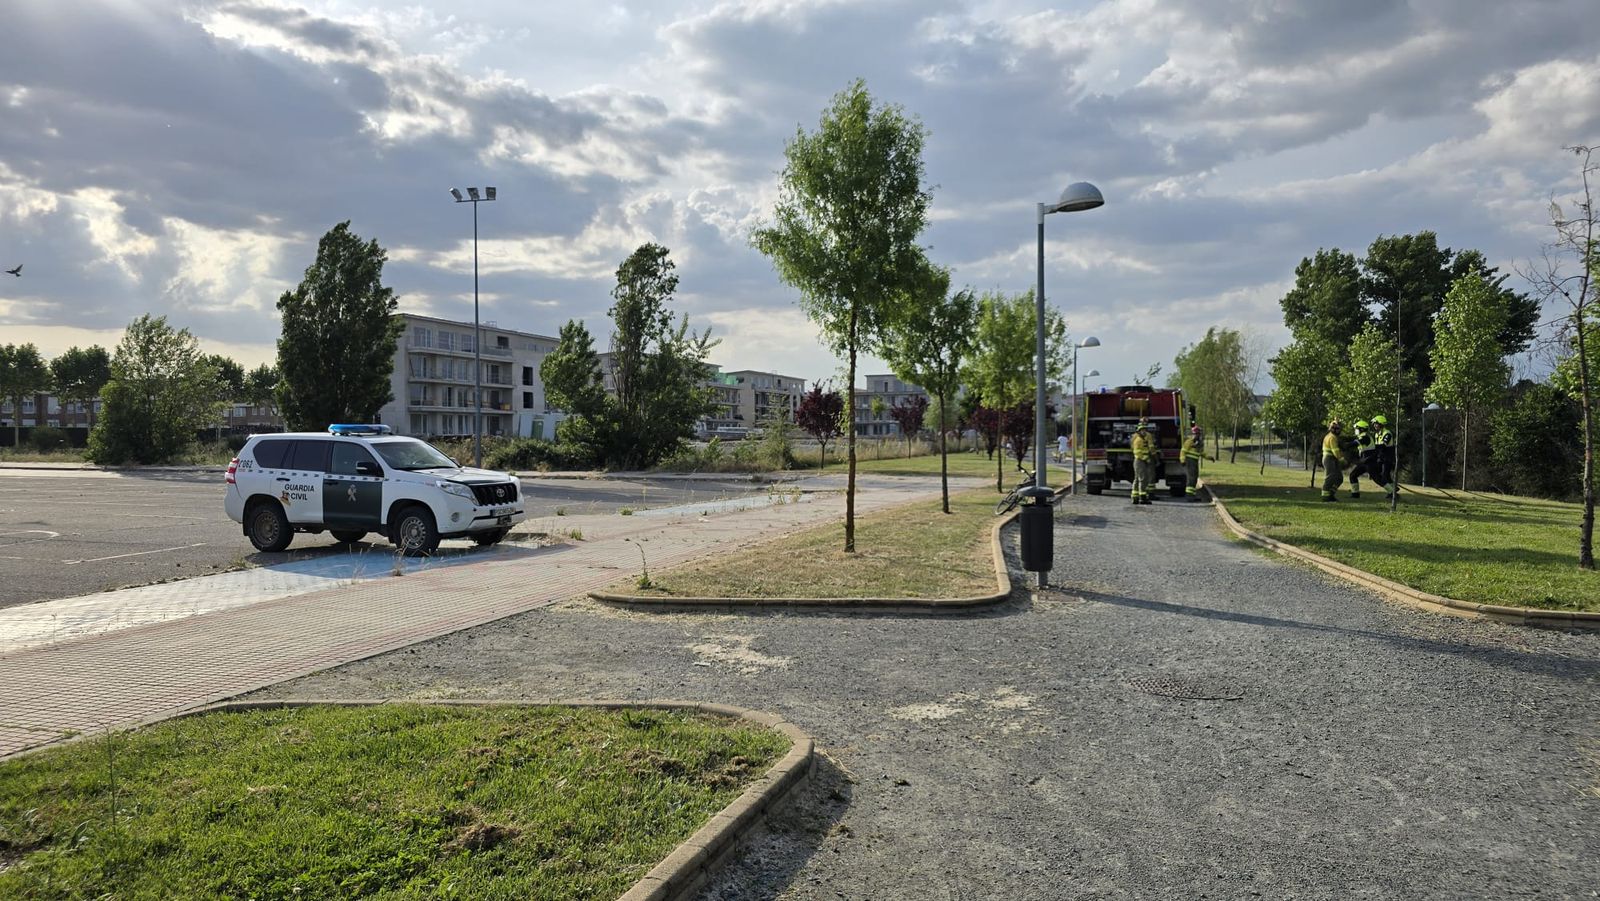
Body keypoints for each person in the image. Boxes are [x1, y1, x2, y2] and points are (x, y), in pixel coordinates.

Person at [1346, 419, 1377, 498]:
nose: (1355, 430)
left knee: (1377, 479)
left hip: (1369, 461)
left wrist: (1343, 445)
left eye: (1357, 429)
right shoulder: (1362, 436)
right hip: (1365, 461)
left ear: (1361, 429)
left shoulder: (1365, 437)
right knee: (1353, 475)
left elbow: (1354, 443)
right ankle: (1355, 494)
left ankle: (1392, 492)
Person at [1130, 418, 1156, 505]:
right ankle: (1142, 497)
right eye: (1142, 430)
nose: (1144, 431)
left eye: (1145, 430)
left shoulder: (1144, 438)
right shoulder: (1138, 440)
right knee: (1143, 479)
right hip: (1140, 461)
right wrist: (1146, 458)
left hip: (1142, 460)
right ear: (1139, 431)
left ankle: (1135, 497)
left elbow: (1150, 447)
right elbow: (1137, 452)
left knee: (1138, 478)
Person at [1321, 419, 1347, 502]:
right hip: (1329, 459)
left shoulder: (1332, 436)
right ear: (1334, 429)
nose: (1339, 431)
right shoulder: (1332, 437)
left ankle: (1331, 494)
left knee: (1339, 478)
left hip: (1333, 459)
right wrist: (1342, 459)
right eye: (1338, 429)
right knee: (1330, 477)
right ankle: (1325, 496)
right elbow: (1335, 451)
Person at [1371, 414, 1395, 498]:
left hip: (1388, 458)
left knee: (1384, 477)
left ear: (1381, 424)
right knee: (1386, 477)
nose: (1374, 425)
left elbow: (1383, 446)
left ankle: (1392, 493)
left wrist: (1372, 448)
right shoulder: (1377, 434)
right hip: (1381, 458)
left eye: (1376, 423)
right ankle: (1394, 490)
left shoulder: (1387, 433)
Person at [1181, 425, 1204, 501]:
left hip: (1195, 462)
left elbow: (1201, 452)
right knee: (1191, 478)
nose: (1197, 435)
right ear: (1192, 434)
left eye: (1198, 434)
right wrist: (1182, 460)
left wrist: (1209, 457)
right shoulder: (1189, 442)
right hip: (1189, 461)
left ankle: (1193, 495)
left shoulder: (1199, 443)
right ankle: (1189, 496)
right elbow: (1183, 451)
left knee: (1195, 478)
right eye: (1195, 434)